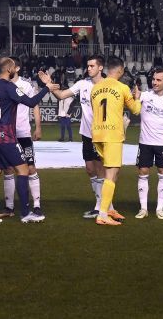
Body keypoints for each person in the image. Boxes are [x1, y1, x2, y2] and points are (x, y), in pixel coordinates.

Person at [0, 57, 55, 224]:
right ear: (9, 69)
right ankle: (26, 213)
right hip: (7, 136)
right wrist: (47, 88)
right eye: (13, 68)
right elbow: (31, 102)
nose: (15, 70)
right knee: (23, 170)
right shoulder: (9, 87)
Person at [50, 55, 109, 218]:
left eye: (92, 66)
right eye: (88, 66)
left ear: (100, 67)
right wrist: (50, 85)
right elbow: (62, 95)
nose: (88, 68)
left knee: (100, 169)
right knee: (90, 169)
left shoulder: (109, 85)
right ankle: (102, 203)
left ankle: (101, 206)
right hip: (86, 133)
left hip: (102, 134)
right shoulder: (82, 84)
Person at [90, 56, 142, 226]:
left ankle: (109, 208)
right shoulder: (122, 88)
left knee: (112, 172)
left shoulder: (95, 88)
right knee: (111, 174)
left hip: (97, 134)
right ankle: (102, 214)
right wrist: (137, 97)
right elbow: (136, 110)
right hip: (112, 135)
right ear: (120, 70)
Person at [0, 57, 45, 218]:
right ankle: (9, 207)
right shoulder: (2, 85)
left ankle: (37, 206)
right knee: (8, 169)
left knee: (30, 168)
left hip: (23, 133)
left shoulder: (26, 85)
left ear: (16, 68)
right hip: (7, 133)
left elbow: (34, 105)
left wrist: (38, 127)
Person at [135, 68, 163, 220]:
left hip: (162, 144)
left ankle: (160, 209)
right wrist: (136, 98)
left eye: (158, 80)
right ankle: (143, 208)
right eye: (154, 79)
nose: (154, 82)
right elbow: (134, 107)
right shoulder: (145, 95)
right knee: (143, 172)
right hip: (145, 142)